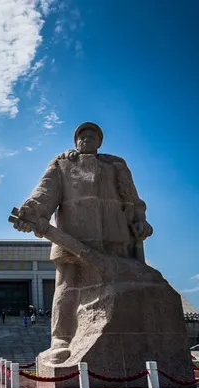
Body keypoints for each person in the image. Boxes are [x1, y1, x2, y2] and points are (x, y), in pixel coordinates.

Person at [13, 122, 153, 363]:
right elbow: (45, 192)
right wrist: (32, 213)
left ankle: (131, 337)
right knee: (68, 287)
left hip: (115, 235)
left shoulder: (116, 165)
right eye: (82, 135)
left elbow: (132, 199)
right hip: (72, 237)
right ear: (76, 141)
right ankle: (62, 339)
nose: (87, 138)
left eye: (92, 135)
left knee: (119, 288)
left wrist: (140, 221)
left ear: (100, 142)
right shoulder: (63, 163)